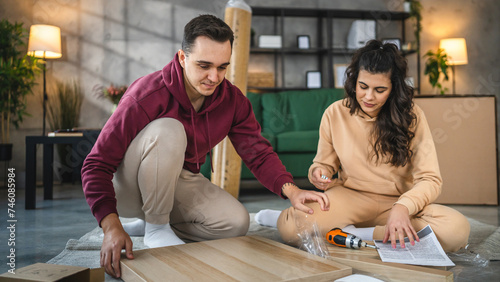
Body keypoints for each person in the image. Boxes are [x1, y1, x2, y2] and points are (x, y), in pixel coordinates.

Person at [81, 14, 329, 278]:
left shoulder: (232, 101)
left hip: (177, 179)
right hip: (127, 188)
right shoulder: (147, 93)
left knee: (235, 223)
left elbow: (257, 152)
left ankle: (152, 222)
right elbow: (95, 165)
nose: (214, 77)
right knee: (169, 129)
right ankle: (156, 228)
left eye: (222, 67)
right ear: (182, 57)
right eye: (204, 65)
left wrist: (292, 191)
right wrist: (110, 226)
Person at [256, 40, 470, 253]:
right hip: (349, 197)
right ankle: (372, 234)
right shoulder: (335, 112)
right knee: (293, 228)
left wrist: (403, 207)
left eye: (380, 90)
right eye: (363, 86)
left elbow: (430, 179)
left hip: (397, 203)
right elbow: (323, 163)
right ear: (354, 81)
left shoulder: (412, 116)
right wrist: (318, 172)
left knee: (455, 231)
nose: (369, 96)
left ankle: (351, 233)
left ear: (394, 89)